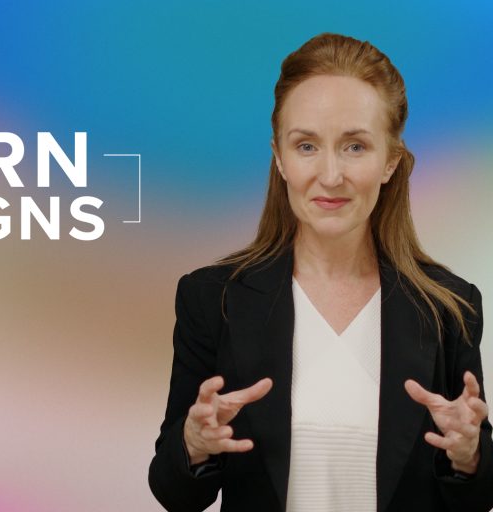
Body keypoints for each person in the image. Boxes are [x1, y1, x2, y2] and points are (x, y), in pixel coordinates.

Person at [148, 32, 493, 512]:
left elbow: (477, 496)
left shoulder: (448, 306)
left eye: (355, 147)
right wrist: (194, 444)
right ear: (279, 157)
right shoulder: (213, 299)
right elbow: (174, 492)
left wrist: (469, 456)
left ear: (390, 160)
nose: (330, 175)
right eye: (307, 146)